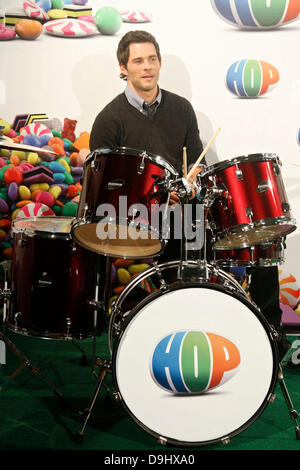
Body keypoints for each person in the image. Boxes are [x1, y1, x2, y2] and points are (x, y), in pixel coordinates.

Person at [89, 30, 289, 362]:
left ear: (160, 63)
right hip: (141, 218)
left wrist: (194, 180)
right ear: (123, 67)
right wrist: (159, 200)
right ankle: (180, 331)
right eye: (138, 61)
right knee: (184, 242)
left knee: (255, 234)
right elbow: (107, 191)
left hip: (187, 213)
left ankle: (269, 335)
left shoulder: (181, 108)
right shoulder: (109, 119)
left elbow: (199, 161)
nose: (147, 67)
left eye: (152, 59)